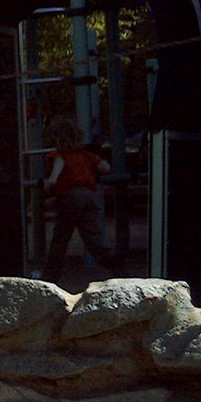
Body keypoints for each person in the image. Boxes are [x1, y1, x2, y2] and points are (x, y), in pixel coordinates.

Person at [41, 118, 121, 283]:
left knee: (60, 240)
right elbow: (105, 167)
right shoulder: (86, 155)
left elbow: (57, 170)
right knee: (93, 240)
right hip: (89, 196)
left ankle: (49, 278)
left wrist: (50, 182)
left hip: (70, 198)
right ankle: (117, 267)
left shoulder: (58, 155)